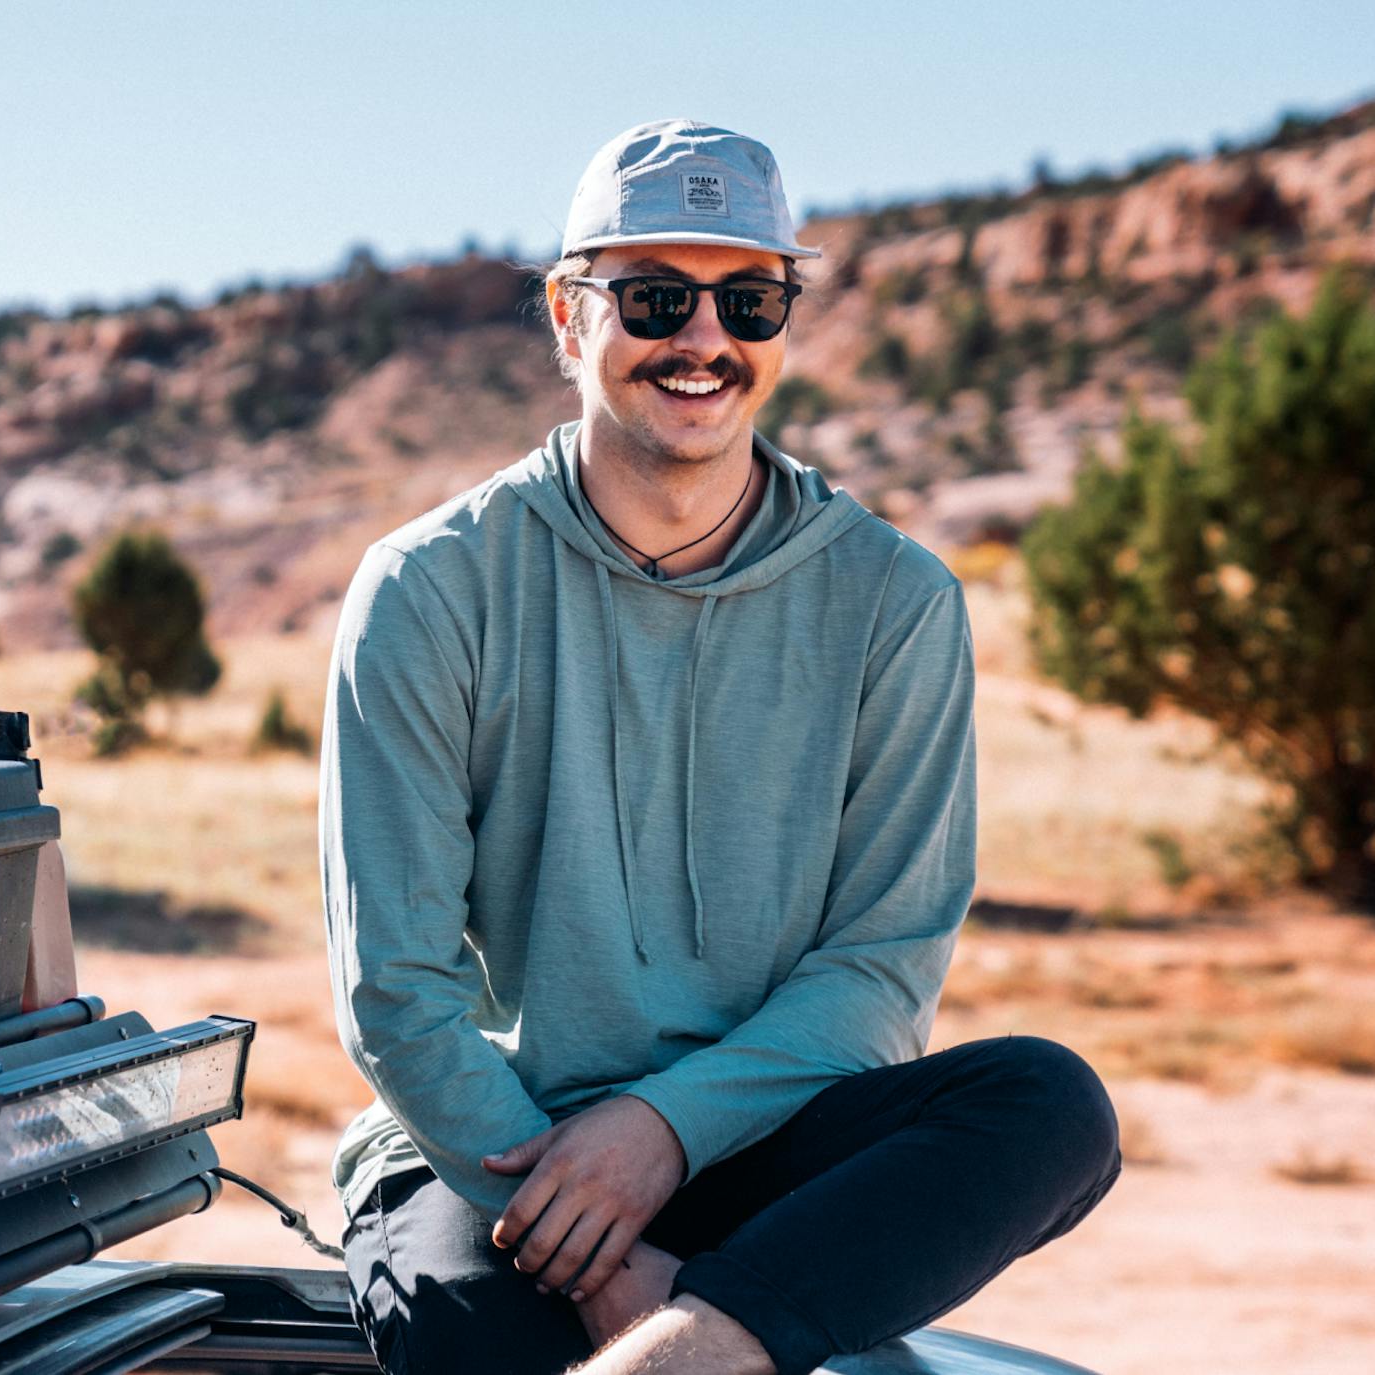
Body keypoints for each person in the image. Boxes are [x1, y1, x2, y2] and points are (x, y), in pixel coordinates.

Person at [322, 120, 1121, 1375]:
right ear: (567, 318)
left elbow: (879, 968)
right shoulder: (430, 587)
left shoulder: (893, 598)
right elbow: (396, 992)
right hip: (494, 1154)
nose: (705, 340)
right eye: (654, 297)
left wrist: (659, 1136)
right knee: (473, 1332)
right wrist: (591, 1236)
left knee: (1048, 1104)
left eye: (748, 300)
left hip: (773, 1139)